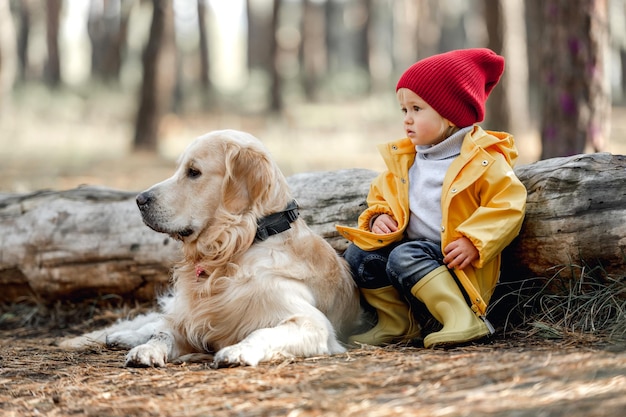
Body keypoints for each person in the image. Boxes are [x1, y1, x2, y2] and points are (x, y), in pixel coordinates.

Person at [336, 48, 527, 348]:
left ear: (450, 112)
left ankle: (463, 318)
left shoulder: (482, 161)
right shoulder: (407, 160)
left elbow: (508, 204)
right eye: (404, 110)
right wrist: (379, 217)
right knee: (359, 253)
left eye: (417, 109)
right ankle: (397, 322)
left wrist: (474, 240)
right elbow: (381, 195)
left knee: (404, 255)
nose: (407, 120)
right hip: (413, 256)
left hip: (457, 262)